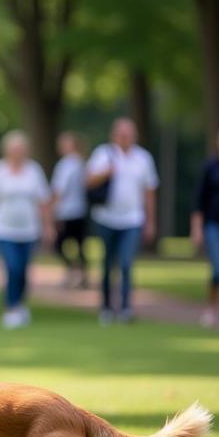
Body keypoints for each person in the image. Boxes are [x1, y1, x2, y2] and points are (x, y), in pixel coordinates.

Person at [0, 130, 53, 329]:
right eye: (14, 149)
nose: (17, 153)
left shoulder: (34, 171)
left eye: (21, 149)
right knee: (13, 267)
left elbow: (43, 201)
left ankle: (20, 304)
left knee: (24, 271)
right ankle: (11, 308)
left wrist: (48, 226)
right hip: (3, 229)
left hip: (29, 230)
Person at [86, 117, 158, 325]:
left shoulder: (143, 158)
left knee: (126, 262)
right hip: (106, 218)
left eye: (128, 134)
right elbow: (88, 181)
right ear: (114, 135)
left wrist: (150, 220)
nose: (125, 138)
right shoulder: (103, 154)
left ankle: (126, 307)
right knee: (108, 263)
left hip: (133, 218)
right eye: (121, 134)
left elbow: (149, 191)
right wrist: (106, 172)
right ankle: (107, 307)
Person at [191, 123, 219, 328]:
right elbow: (200, 201)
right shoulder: (210, 167)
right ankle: (210, 309)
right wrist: (197, 228)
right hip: (215, 225)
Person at [50, 131, 89, 288]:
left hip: (66, 212)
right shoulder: (82, 163)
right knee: (80, 245)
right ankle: (81, 274)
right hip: (81, 210)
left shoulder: (65, 164)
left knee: (58, 245)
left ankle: (73, 271)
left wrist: (54, 211)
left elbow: (59, 190)